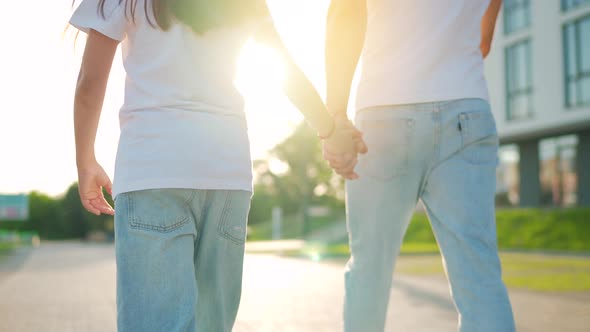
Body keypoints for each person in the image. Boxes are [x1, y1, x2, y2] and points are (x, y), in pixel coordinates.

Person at [70, 0, 365, 330]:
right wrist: (330, 131)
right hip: (227, 173)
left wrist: (86, 161)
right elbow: (287, 73)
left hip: (153, 171)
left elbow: (90, 84)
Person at [323, 0, 516, 331]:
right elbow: (483, 40)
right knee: (478, 276)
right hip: (466, 110)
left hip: (386, 109)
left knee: (369, 271)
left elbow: (346, 11)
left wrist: (335, 116)